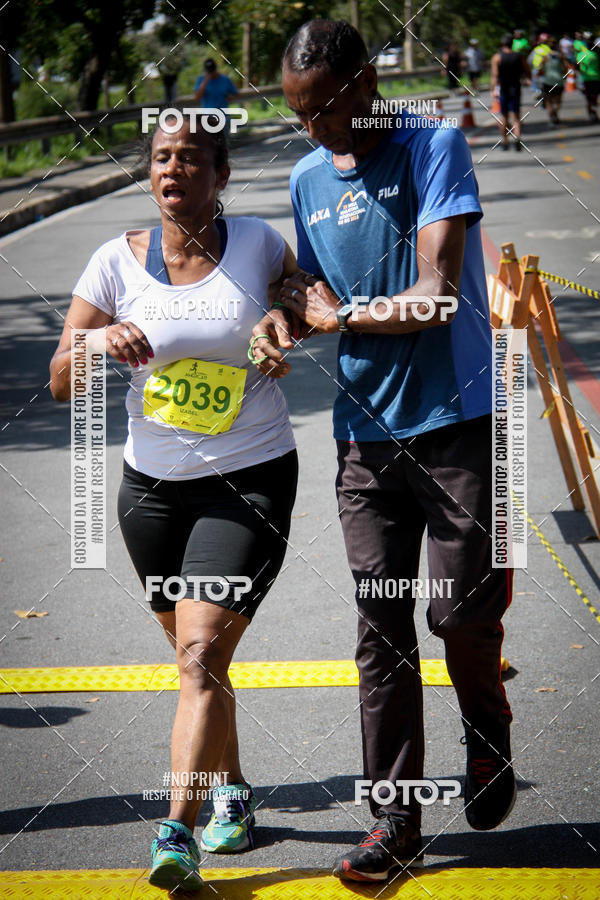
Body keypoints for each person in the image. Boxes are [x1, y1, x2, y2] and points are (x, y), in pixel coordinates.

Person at [254, 17, 516, 883]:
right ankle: (395, 822)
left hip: (459, 422)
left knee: (460, 615)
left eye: (324, 109)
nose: (312, 129)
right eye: (299, 114)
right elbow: (311, 295)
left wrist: (341, 318)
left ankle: (488, 734)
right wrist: (280, 319)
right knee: (381, 630)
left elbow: (436, 296)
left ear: (366, 83)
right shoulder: (306, 177)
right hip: (363, 439)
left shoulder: (434, 146)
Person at [50, 112, 299, 893]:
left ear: (221, 174)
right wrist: (98, 342)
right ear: (148, 172)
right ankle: (233, 791)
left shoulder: (259, 244)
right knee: (201, 662)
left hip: (249, 477)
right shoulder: (112, 263)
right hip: (151, 493)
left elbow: (300, 302)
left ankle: (176, 831)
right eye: (162, 157)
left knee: (199, 654)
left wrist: (280, 326)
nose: (173, 169)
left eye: (191, 158)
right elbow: (60, 380)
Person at [491, 34, 530, 150]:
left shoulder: (497, 58)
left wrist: (492, 89)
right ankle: (517, 138)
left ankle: (505, 141)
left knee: (503, 116)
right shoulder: (519, 56)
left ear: (502, 44)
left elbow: (495, 75)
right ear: (512, 43)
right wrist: (528, 78)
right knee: (516, 116)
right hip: (515, 88)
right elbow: (527, 70)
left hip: (503, 89)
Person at [538, 36, 567, 125]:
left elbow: (540, 69)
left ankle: (551, 116)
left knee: (548, 101)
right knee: (558, 101)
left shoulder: (545, 57)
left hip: (548, 81)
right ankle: (555, 112)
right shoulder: (561, 56)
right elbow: (565, 69)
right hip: (559, 81)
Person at [576, 33, 600, 122]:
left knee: (589, 98)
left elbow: (578, 67)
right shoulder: (596, 54)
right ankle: (592, 113)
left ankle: (592, 113)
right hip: (595, 78)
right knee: (593, 97)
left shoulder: (581, 54)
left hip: (587, 78)